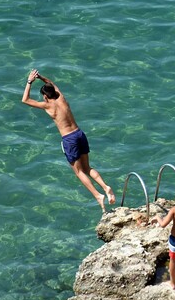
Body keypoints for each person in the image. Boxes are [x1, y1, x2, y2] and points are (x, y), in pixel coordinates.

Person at [21, 69, 115, 212]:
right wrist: (40, 77)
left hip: (69, 139)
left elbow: (25, 100)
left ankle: (98, 195)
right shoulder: (61, 98)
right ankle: (105, 186)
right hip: (79, 134)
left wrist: (29, 81)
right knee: (87, 168)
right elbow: (51, 83)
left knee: (79, 172)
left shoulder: (48, 106)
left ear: (45, 96)